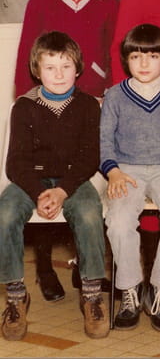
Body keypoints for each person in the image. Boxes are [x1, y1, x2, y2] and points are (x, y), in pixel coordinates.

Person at [14, 0, 118, 303]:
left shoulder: (108, 2)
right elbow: (25, 58)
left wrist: (110, 97)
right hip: (47, 107)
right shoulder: (40, 2)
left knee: (84, 185)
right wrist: (25, 103)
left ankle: (82, 265)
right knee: (45, 177)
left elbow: (114, 54)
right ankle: (44, 267)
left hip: (92, 106)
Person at [1, 32, 108, 341]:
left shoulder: (88, 106)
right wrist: (38, 193)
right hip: (31, 181)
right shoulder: (24, 107)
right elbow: (15, 163)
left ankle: (92, 296)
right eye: (50, 67)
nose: (58, 75)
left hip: (73, 181)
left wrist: (62, 191)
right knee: (5, 213)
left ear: (78, 68)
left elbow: (90, 158)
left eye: (66, 66)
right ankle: (16, 297)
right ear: (37, 71)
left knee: (89, 213)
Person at [103, 24, 160, 333]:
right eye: (136, 56)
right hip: (126, 169)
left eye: (152, 56)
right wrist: (113, 171)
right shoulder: (115, 95)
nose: (144, 63)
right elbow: (105, 142)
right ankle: (131, 290)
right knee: (118, 222)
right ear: (126, 60)